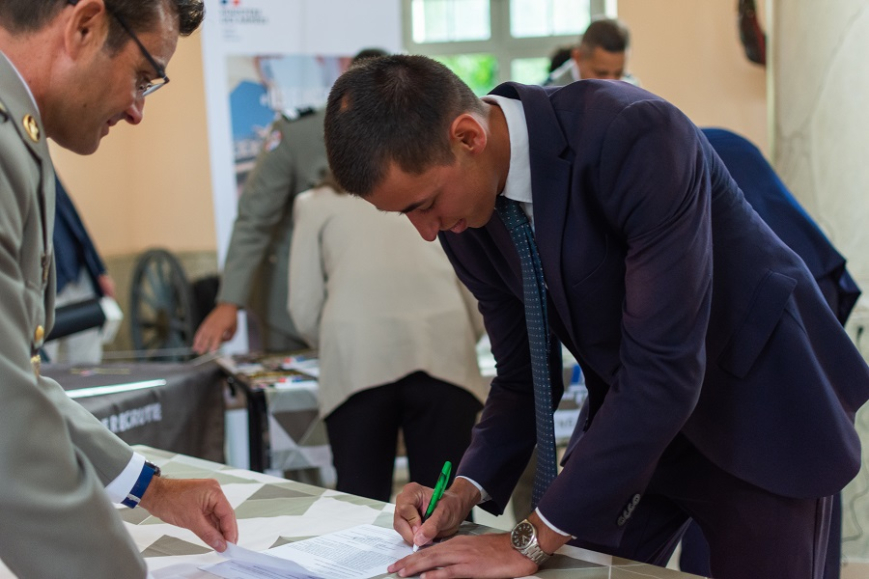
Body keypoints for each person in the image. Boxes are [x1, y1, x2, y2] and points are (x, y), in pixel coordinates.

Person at [323, 55, 869, 579]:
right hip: (632, 416)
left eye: (423, 204)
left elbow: (664, 370)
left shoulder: (636, 134)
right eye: (406, 214)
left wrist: (528, 538)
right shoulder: (462, 213)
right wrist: (464, 488)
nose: (426, 230)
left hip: (759, 399)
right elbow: (522, 375)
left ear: (468, 137)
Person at [0, 1, 238, 577]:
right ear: (84, 26)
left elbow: (18, 377)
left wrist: (150, 489)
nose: (136, 111)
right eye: (142, 77)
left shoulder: (21, 134)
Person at [677, 127, 861, 579]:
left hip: (767, 338)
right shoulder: (715, 145)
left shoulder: (676, 157)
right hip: (795, 312)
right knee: (803, 519)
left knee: (748, 496)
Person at [287, 176, 487, 502]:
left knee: (360, 504)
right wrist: (468, 333)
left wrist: (334, 340)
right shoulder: (435, 188)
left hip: (357, 360)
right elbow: (474, 288)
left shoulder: (315, 204)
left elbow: (304, 307)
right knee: (447, 506)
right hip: (444, 349)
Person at [193, 48, 388, 355]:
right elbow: (254, 220)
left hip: (373, 302)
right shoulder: (297, 135)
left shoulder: (403, 137)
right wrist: (228, 302)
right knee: (295, 400)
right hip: (293, 309)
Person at [43, 175, 116, 363]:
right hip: (39, 282)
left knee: (88, 357)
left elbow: (71, 217)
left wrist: (99, 269)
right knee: (42, 359)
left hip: (76, 271)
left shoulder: (42, 161)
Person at [545, 17, 638, 85]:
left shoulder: (634, 90)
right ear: (577, 57)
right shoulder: (550, 101)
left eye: (619, 73)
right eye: (601, 73)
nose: (612, 83)